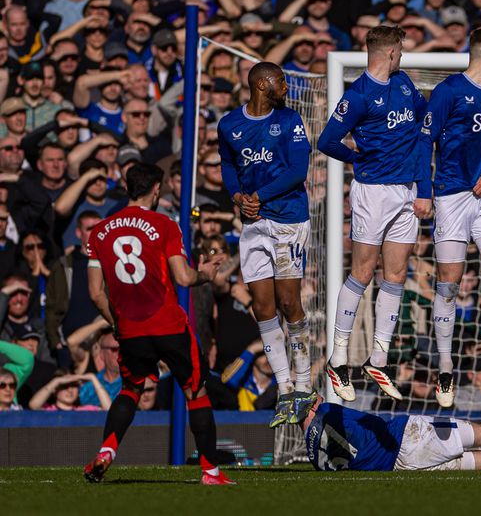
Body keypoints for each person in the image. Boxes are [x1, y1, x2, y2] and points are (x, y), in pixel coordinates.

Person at [81, 162, 230, 485]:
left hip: (130, 328)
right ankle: (211, 471)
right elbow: (182, 277)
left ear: (127, 187)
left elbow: (95, 293)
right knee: (195, 390)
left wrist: (116, 323)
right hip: (168, 323)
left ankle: (107, 450)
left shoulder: (99, 231)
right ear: (156, 190)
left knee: (131, 389)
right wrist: (205, 273)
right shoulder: (165, 224)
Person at [319, 25, 429, 402]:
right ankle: (338, 357)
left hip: (406, 191)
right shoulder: (359, 94)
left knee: (396, 273)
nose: (402, 55)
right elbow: (327, 140)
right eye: (400, 49)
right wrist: (357, 157)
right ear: (389, 51)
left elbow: (421, 123)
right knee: (363, 272)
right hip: (373, 193)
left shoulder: (403, 84)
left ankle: (377, 358)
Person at [417, 28, 481, 407]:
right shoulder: (448, 91)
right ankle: (445, 367)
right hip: (452, 195)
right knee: (449, 282)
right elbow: (426, 138)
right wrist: (425, 191)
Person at [217, 61, 315, 427]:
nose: (287, 87)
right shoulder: (229, 124)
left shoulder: (289, 121)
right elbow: (228, 165)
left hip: (289, 219)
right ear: (262, 85)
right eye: (282, 81)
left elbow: (298, 170)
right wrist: (237, 195)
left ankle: (304, 383)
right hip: (254, 223)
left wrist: (257, 194)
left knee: (289, 301)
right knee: (262, 306)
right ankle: (286, 386)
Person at [304, 396, 481, 472]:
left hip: (404, 466)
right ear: (310, 406)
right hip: (409, 434)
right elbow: (366, 419)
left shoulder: (315, 459)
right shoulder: (329, 410)